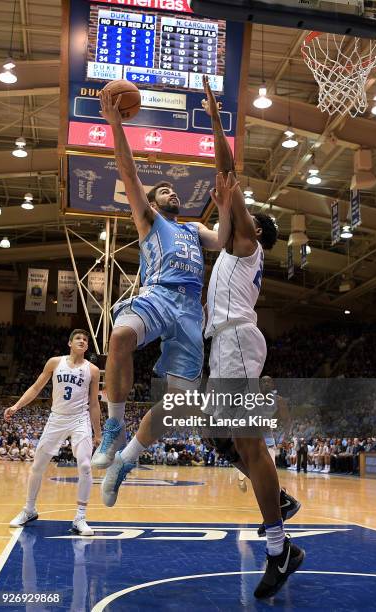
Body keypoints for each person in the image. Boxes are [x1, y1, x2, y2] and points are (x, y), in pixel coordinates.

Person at [92, 86, 231, 504]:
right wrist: (116, 125)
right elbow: (128, 171)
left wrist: (225, 205)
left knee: (183, 405)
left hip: (191, 312)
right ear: (151, 202)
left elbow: (224, 239)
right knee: (119, 337)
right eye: (164, 188)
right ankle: (114, 428)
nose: (171, 190)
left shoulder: (192, 230)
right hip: (157, 296)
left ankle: (126, 460)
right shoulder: (150, 220)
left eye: (173, 188)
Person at [202, 76, 305, 599]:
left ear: (255, 231)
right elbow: (224, 201)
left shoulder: (247, 242)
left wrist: (218, 121)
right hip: (224, 345)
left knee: (247, 442)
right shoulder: (231, 245)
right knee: (215, 435)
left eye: (245, 213)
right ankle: (279, 502)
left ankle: (279, 546)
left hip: (238, 342)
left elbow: (227, 171)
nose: (241, 210)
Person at [4, 329, 101, 536]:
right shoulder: (55, 362)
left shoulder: (92, 370)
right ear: (69, 343)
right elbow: (36, 388)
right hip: (56, 418)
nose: (82, 341)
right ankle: (29, 510)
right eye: (78, 338)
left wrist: (98, 433)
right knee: (38, 465)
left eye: (85, 339)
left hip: (79, 419)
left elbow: (94, 403)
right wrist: (16, 406)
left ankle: (80, 517)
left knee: (84, 465)